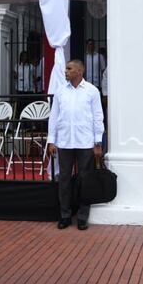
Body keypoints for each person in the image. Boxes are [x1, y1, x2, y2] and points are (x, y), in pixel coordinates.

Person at [47, 60, 104, 231]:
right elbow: (54, 116)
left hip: (85, 142)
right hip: (64, 141)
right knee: (64, 179)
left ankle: (82, 217)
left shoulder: (92, 91)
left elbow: (98, 116)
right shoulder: (60, 91)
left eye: (69, 68)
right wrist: (51, 140)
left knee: (84, 180)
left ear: (80, 71)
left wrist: (98, 141)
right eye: (66, 68)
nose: (66, 71)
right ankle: (65, 215)